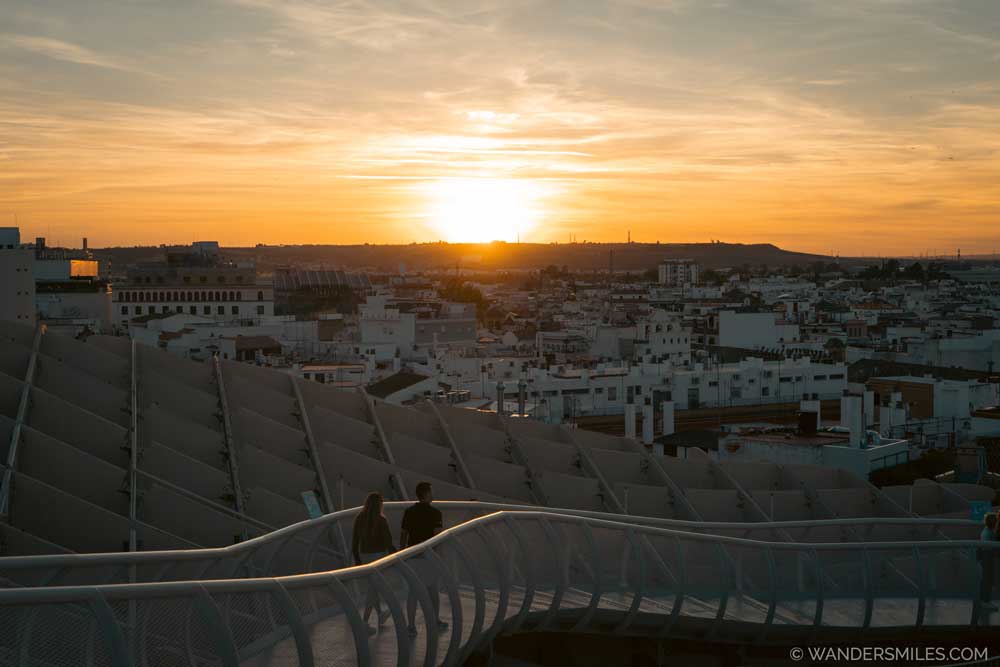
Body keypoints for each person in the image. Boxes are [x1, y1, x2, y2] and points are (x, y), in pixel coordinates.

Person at [400, 481, 446, 637]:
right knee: (432, 589)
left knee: (413, 592)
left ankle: (411, 626)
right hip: (429, 557)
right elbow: (438, 537)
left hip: (412, 555)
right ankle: (435, 621)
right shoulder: (435, 513)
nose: (433, 494)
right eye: (431, 492)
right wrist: (440, 558)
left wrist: (403, 554)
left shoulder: (409, 512)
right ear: (426, 494)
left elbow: (404, 534)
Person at [352, 492, 395, 635]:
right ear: (379, 505)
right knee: (372, 589)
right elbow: (388, 542)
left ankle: (380, 613)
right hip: (378, 557)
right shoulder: (381, 520)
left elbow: (354, 542)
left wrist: (358, 560)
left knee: (373, 586)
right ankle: (364, 622)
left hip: (364, 556)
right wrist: (397, 556)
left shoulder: (359, 518)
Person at [980, 512, 997, 612]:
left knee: (987, 578)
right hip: (987, 556)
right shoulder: (988, 532)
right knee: (987, 578)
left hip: (987, 555)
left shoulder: (987, 531)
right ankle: (985, 601)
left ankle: (985, 600)